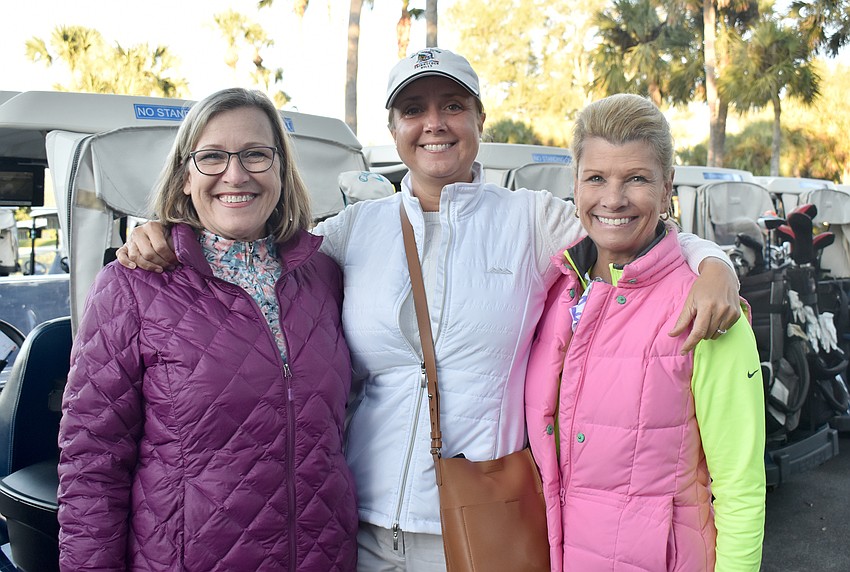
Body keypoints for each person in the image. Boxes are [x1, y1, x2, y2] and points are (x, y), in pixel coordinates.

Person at [118, 49, 742, 570]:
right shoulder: (353, 231)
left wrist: (715, 263)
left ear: (479, 121)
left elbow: (622, 224)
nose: (434, 123)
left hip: (479, 524)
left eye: (453, 106)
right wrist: (167, 233)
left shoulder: (530, 220)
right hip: (355, 527)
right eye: (414, 109)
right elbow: (250, 254)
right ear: (393, 130)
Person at [58, 88, 358, 571]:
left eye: (256, 154)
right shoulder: (133, 286)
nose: (235, 175)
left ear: (281, 168)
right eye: (212, 156)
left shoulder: (325, 276)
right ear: (184, 175)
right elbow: (92, 466)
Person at [525, 94, 765, 571]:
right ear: (574, 183)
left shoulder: (708, 309)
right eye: (596, 178)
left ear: (666, 185)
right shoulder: (557, 288)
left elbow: (740, 488)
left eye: (636, 178)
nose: (612, 199)